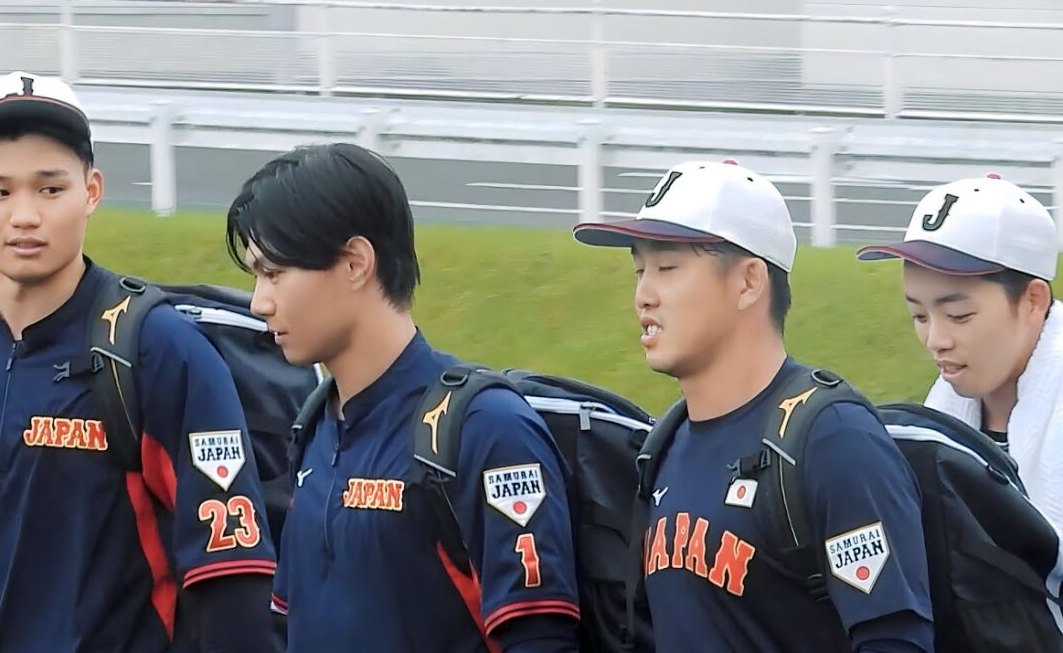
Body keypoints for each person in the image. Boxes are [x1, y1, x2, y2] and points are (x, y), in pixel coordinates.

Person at [0, 71, 277, 653]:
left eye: (51, 189)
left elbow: (230, 578)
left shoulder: (157, 349)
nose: (25, 215)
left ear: (92, 191)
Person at [225, 142, 582, 652]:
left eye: (274, 273)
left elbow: (539, 640)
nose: (259, 302)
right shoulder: (315, 426)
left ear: (355, 263)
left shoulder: (486, 429)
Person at [572, 160, 934, 652]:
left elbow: (894, 639)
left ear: (748, 282)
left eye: (667, 268)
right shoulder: (664, 446)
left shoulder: (832, 438)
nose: (644, 296)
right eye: (639, 271)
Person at [857, 173, 1063, 528]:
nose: (936, 340)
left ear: (1033, 300)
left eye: (959, 315)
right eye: (919, 316)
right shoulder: (936, 421)